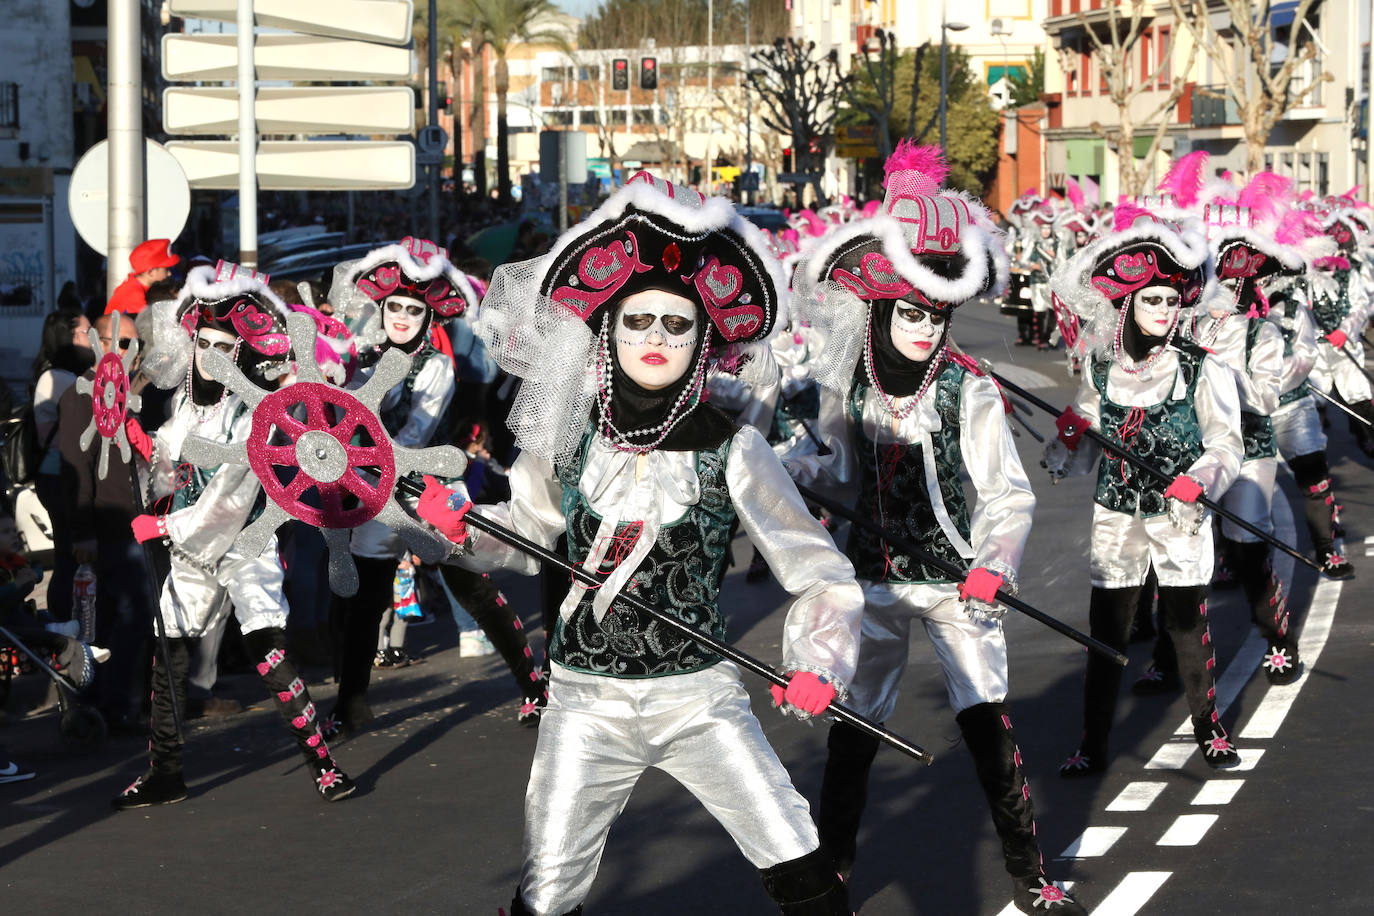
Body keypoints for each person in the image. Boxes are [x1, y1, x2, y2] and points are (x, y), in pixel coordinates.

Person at [419, 171, 862, 916]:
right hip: (584, 704)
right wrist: (465, 526)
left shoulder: (737, 448)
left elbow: (822, 573)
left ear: (703, 338)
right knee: (550, 891)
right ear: (609, 330)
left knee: (799, 857)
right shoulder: (569, 437)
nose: (655, 338)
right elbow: (529, 533)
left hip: (699, 700)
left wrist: (817, 660)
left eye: (676, 324)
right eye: (638, 321)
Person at [785, 143, 1084, 915]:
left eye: (938, 313)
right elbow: (833, 477)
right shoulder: (844, 386)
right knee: (852, 737)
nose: (925, 328)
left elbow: (1008, 499)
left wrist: (994, 563)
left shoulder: (968, 392)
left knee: (987, 726)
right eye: (912, 311)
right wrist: (790, 465)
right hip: (873, 584)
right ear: (883, 306)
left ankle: (1029, 872)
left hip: (957, 584)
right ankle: (832, 882)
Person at [111, 261, 355, 808]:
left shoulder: (255, 416)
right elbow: (171, 467)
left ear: (242, 353)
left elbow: (229, 499)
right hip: (193, 554)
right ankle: (165, 770)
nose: (210, 357)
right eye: (203, 344)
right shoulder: (186, 406)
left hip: (244, 544)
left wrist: (163, 523)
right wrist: (145, 446)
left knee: (267, 645)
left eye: (224, 347)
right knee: (168, 644)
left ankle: (323, 762)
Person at [1045, 201, 1243, 776]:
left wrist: (1199, 480)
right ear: (1126, 305)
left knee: (1185, 624)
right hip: (1115, 516)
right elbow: (1082, 440)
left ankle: (1210, 728)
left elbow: (1226, 445)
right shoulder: (1100, 368)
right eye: (1150, 300)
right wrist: (1066, 437)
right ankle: (1093, 742)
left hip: (1179, 518)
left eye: (1170, 300)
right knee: (1107, 631)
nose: (1162, 310)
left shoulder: (1203, 368)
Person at [324, 236, 478, 734]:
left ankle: (530, 680)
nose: (403, 317)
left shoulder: (434, 369)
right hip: (359, 491)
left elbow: (412, 439)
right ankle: (350, 698)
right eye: (395, 306)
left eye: (414, 309)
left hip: (414, 493)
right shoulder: (363, 356)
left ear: (428, 317)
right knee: (357, 595)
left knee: (471, 585)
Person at [57, 313, 158, 732]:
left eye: (132, 346)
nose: (126, 354)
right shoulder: (81, 394)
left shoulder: (131, 393)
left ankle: (117, 702)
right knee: (103, 620)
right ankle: (100, 703)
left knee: (132, 616)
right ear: (98, 344)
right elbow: (75, 468)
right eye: (118, 343)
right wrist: (83, 531)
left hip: (135, 522)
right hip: (103, 527)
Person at [29, 307, 95, 622]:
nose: (91, 337)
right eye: (84, 331)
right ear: (68, 337)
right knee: (70, 555)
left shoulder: (59, 375)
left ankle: (65, 620)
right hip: (60, 476)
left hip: (57, 473)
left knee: (69, 553)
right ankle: (63, 623)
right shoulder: (58, 378)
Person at [105, 239, 179, 316]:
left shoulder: (135, 285)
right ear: (150, 272)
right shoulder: (134, 296)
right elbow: (146, 325)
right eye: (166, 269)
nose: (169, 273)